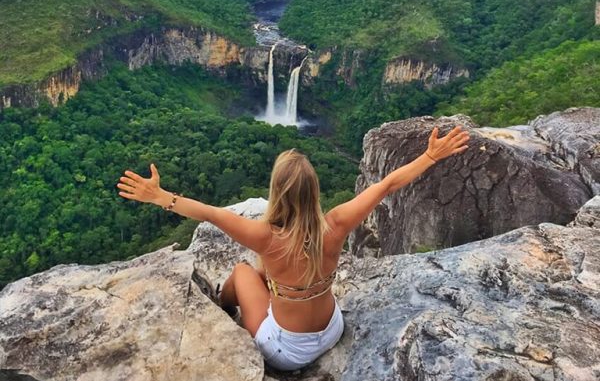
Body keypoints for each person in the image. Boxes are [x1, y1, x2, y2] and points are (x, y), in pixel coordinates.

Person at [116, 125, 469, 371]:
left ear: (276, 192)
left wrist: (160, 196)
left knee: (242, 272)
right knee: (261, 274)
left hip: (288, 352)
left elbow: (210, 213)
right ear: (314, 191)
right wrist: (430, 156)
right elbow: (387, 185)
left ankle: (221, 309)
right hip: (332, 330)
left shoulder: (266, 237)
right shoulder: (336, 224)